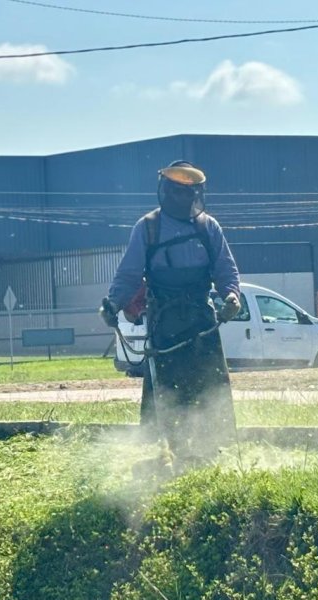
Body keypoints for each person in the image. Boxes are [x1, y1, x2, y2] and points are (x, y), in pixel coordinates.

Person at [100, 160, 242, 471]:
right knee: (167, 389)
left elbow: (225, 269)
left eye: (187, 193)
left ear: (196, 195)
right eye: (176, 192)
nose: (181, 199)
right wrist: (112, 304)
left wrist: (232, 296)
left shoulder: (208, 228)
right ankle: (174, 452)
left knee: (209, 385)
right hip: (163, 322)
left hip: (201, 321)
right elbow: (129, 274)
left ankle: (209, 453)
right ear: (165, 192)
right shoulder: (147, 228)